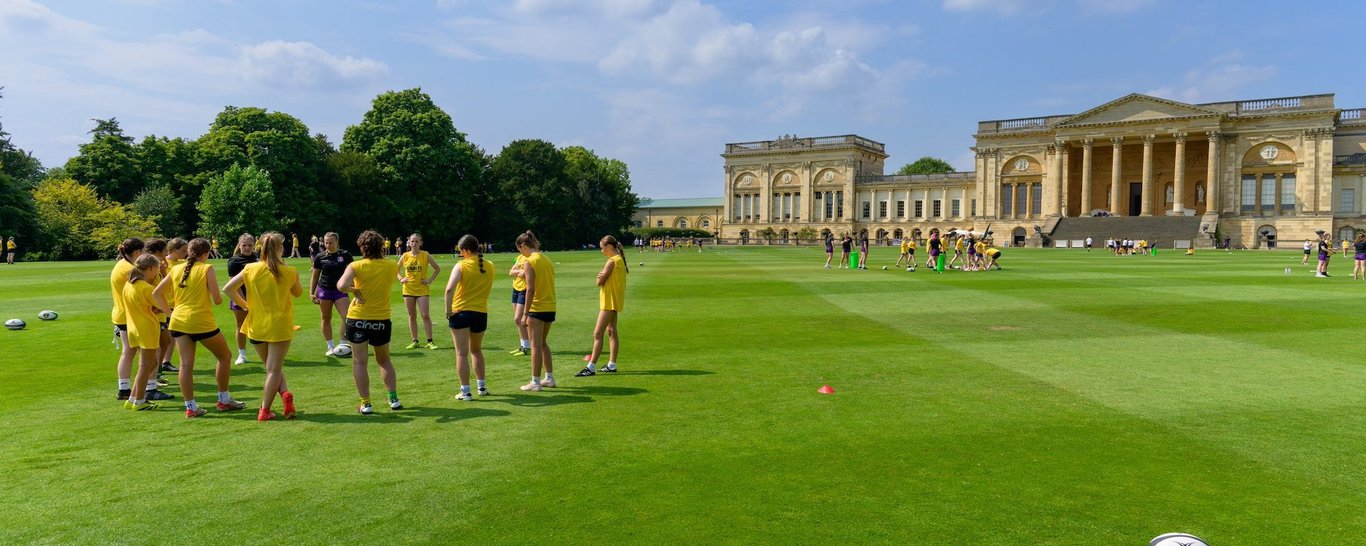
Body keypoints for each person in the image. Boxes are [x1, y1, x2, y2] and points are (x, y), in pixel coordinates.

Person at [154, 238, 246, 417]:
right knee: (225, 356)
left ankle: (191, 407)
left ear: (189, 251)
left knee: (186, 365)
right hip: (201, 321)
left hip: (179, 321)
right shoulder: (207, 268)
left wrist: (169, 313)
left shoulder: (176, 269)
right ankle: (224, 400)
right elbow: (218, 300)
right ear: (206, 253)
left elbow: (156, 293)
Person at [224, 232, 301, 421]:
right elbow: (298, 293)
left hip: (257, 325)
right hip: (280, 325)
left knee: (271, 367)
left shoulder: (250, 268)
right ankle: (265, 409)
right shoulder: (289, 271)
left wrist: (244, 304)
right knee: (274, 368)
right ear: (279, 249)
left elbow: (227, 289)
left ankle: (284, 394)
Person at [337, 230, 403, 414]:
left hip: (358, 318)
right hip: (381, 318)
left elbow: (341, 286)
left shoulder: (356, 266)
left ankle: (366, 403)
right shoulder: (391, 266)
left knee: (359, 362)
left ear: (362, 247)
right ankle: (393, 399)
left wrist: (355, 290)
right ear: (381, 246)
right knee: (384, 360)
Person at [110, 238, 173, 402]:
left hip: (125, 317)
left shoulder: (125, 270)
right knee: (149, 361)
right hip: (139, 320)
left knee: (130, 354)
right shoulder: (134, 275)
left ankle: (127, 391)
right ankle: (146, 392)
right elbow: (157, 297)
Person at [444, 234, 494, 401]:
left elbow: (449, 290)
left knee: (461, 353)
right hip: (481, 313)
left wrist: (448, 311)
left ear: (465, 250)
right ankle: (482, 386)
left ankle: (465, 391)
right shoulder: (490, 266)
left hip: (461, 312)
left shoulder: (461, 266)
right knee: (477, 350)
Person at [122, 254, 170, 411]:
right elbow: (163, 305)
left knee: (149, 364)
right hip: (146, 328)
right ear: (151, 268)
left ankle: (133, 397)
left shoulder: (129, 285)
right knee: (147, 365)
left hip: (133, 327)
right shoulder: (146, 288)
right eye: (156, 267)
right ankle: (139, 401)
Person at [577, 235, 629, 376]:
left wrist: (600, 276)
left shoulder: (612, 261)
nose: (601, 251)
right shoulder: (619, 260)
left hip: (609, 301)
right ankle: (611, 364)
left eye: (602, 248)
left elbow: (599, 282)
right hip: (614, 300)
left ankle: (591, 367)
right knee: (611, 331)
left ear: (609, 246)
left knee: (597, 333)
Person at [515, 231, 557, 392]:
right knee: (543, 343)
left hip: (537, 308)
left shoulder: (530, 261)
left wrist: (525, 313)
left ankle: (535, 381)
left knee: (535, 346)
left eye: (520, 249)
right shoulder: (546, 259)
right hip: (550, 305)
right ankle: (549, 378)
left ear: (524, 246)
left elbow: (530, 289)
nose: (521, 253)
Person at [311, 232, 354, 357]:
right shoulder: (320, 257)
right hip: (324, 290)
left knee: (347, 316)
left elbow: (353, 273)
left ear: (337, 242)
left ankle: (343, 344)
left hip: (341, 290)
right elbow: (315, 276)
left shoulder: (345, 255)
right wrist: (311, 293)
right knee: (326, 317)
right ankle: (330, 346)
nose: (328, 245)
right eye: (326, 243)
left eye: (331, 242)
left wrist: (354, 288)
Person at [398, 233, 442, 350]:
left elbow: (437, 268)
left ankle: (430, 341)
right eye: (412, 241)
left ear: (421, 243)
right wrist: (401, 279)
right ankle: (415, 341)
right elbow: (395, 270)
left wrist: (429, 280)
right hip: (408, 289)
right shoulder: (405, 255)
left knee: (425, 315)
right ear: (409, 243)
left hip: (422, 289)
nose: (414, 243)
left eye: (417, 241)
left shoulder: (425, 255)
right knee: (412, 315)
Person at [226, 233, 258, 365]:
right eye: (244, 245)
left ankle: (265, 352)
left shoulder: (258, 259)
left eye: (250, 245)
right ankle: (242, 354)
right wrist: (244, 303)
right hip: (239, 298)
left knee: (260, 325)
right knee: (241, 326)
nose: (247, 248)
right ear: (239, 246)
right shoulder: (234, 261)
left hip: (257, 298)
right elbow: (233, 285)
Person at [508, 249, 532, 356]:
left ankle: (527, 346)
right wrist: (519, 272)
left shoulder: (531, 259)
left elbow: (527, 274)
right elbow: (511, 272)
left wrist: (520, 272)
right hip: (516, 288)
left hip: (524, 289)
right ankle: (523, 345)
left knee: (518, 319)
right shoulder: (518, 258)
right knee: (518, 321)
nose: (519, 249)